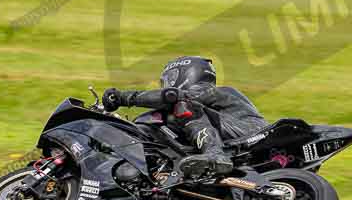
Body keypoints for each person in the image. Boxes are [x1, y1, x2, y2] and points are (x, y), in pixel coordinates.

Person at [102, 56, 268, 177]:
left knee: (183, 107)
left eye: (171, 78)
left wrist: (124, 97)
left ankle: (215, 154)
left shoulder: (209, 90)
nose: (167, 85)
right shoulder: (203, 105)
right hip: (237, 143)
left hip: (252, 135)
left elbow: (173, 96)